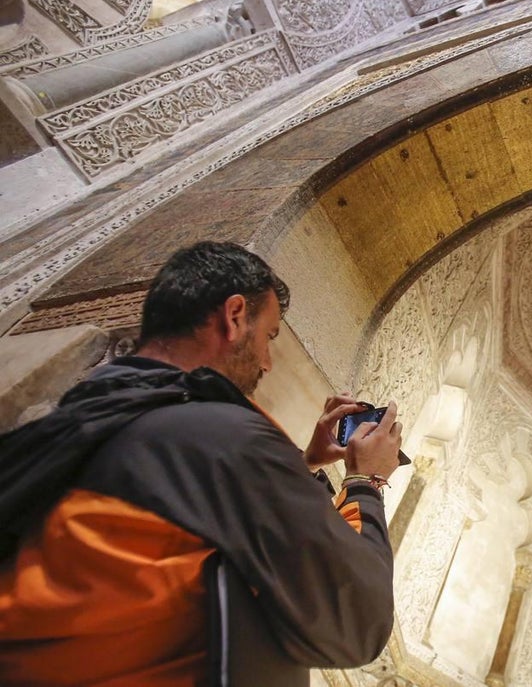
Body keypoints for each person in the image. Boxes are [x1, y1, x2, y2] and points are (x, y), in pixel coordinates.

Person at [0, 241, 402, 686]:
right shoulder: (223, 436)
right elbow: (359, 622)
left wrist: (303, 464)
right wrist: (366, 480)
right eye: (269, 337)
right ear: (234, 316)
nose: (268, 362)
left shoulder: (92, 412)